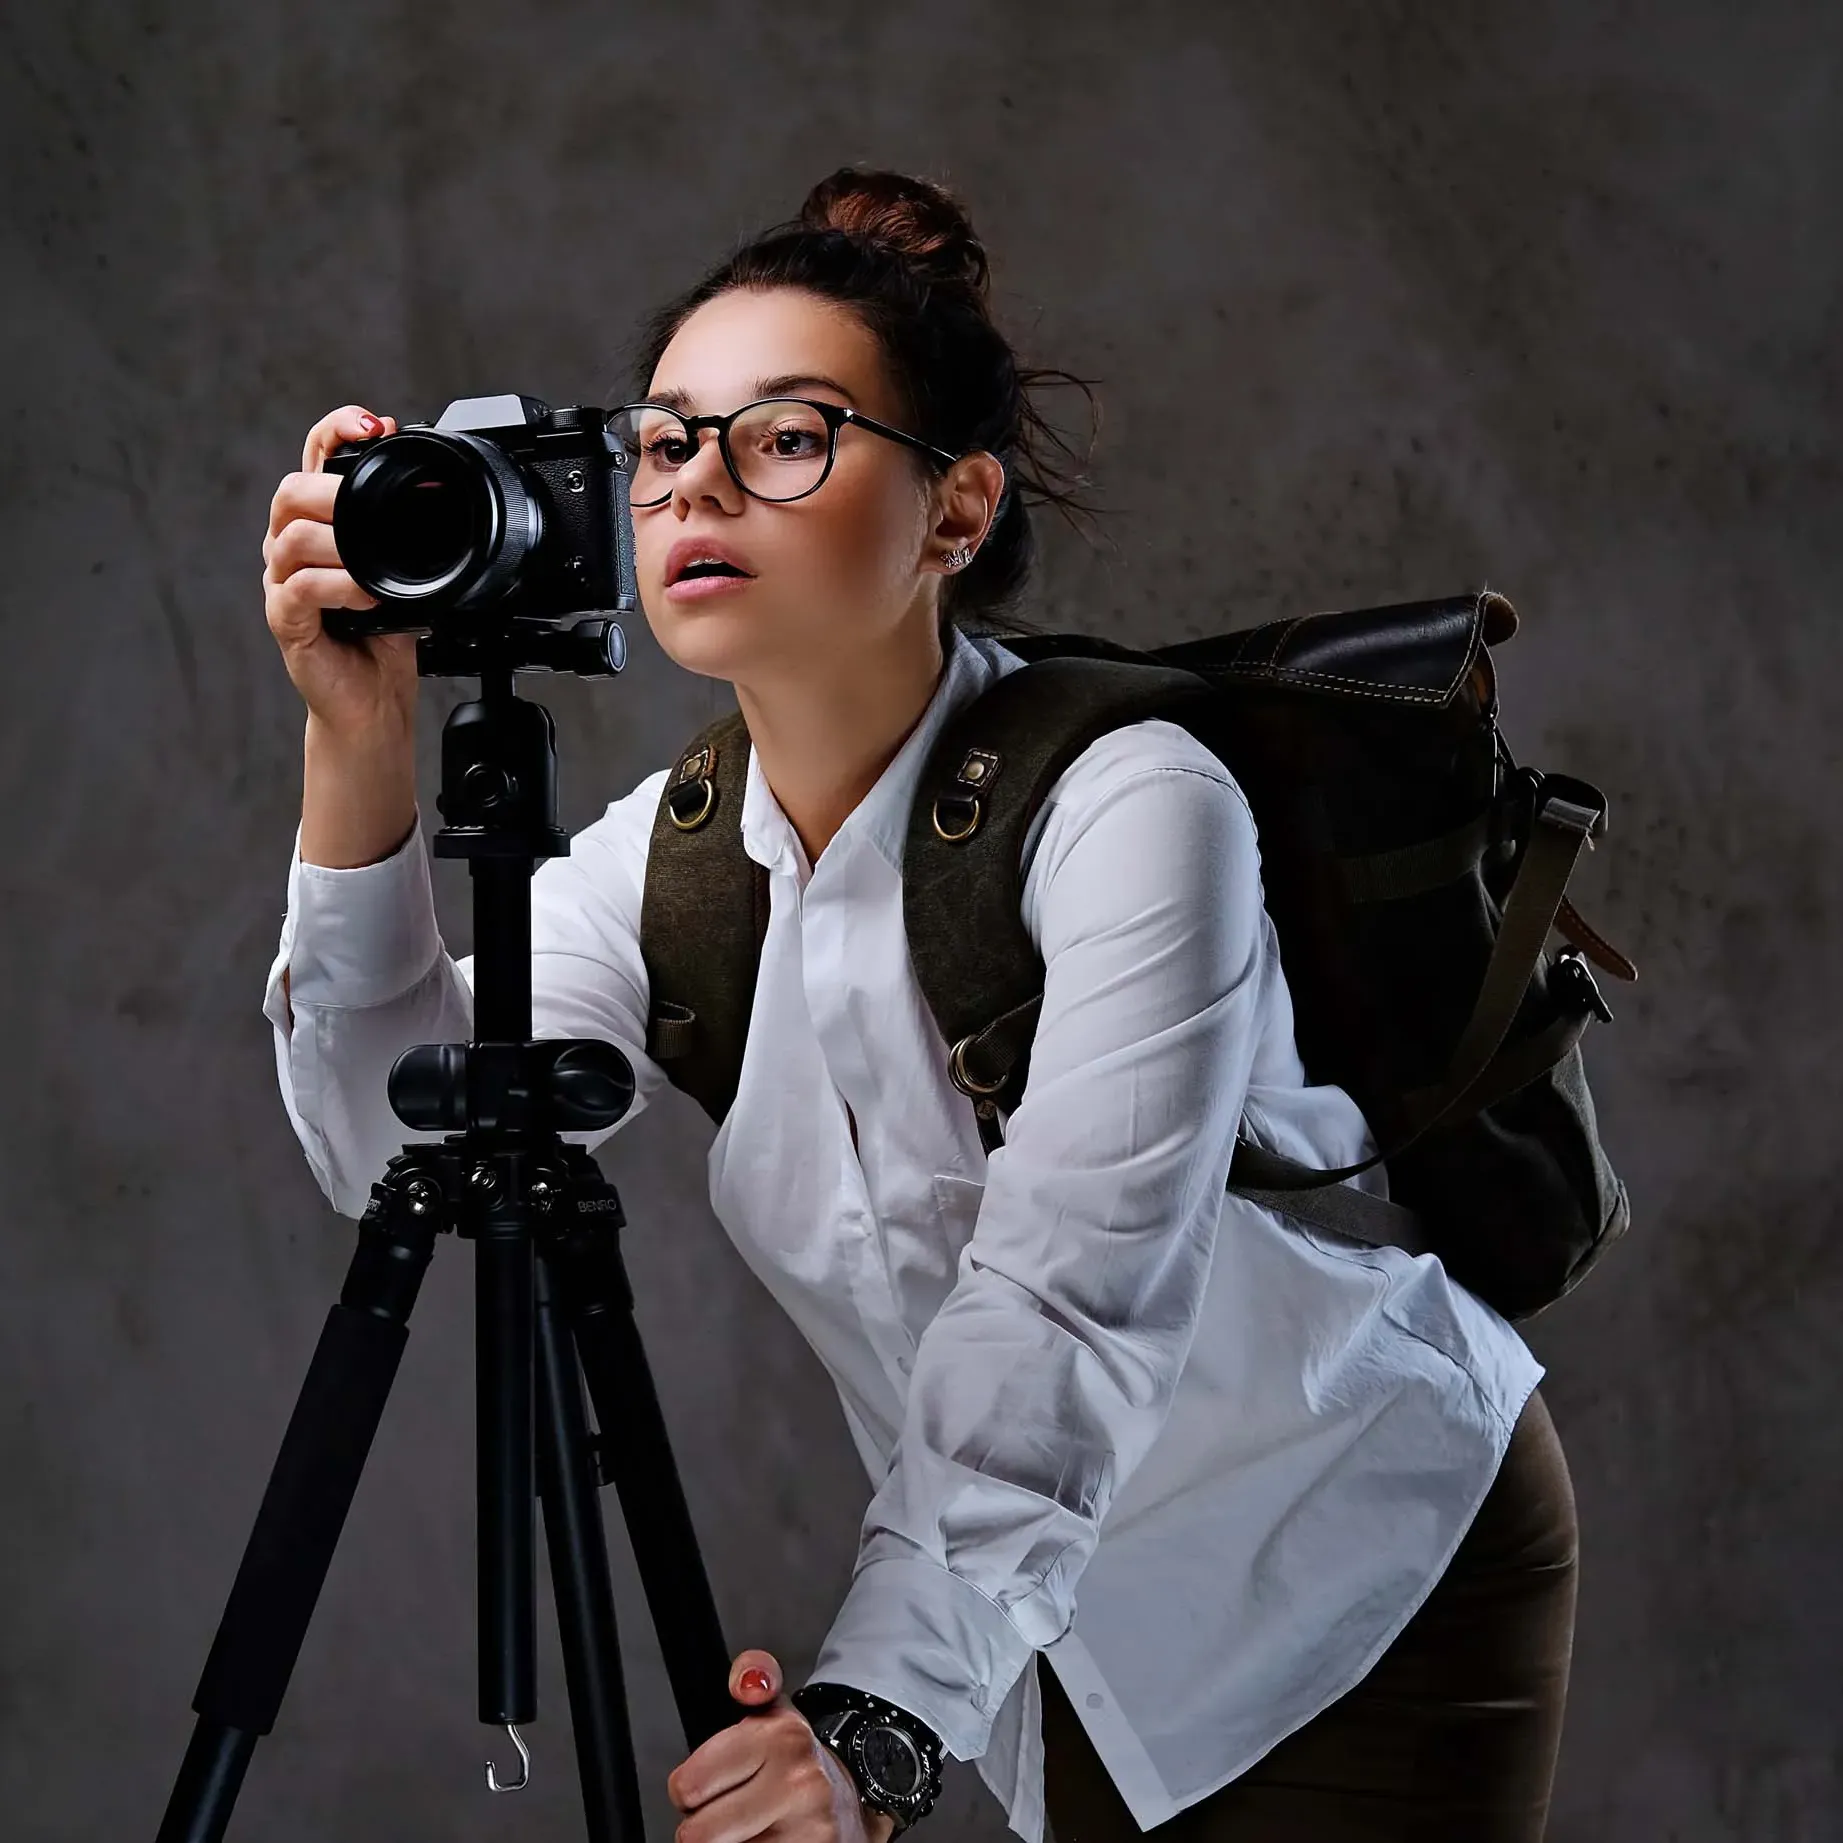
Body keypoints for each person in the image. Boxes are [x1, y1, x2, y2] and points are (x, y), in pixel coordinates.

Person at [257, 167, 1579, 1843]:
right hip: (1048, 1619)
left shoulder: (1130, 804)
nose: (695, 489)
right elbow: (396, 1136)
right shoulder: (667, 865)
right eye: (665, 441)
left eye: (787, 436)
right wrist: (352, 741)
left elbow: (1065, 1299)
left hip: (1353, 1552)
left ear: (954, 515)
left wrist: (876, 1722)